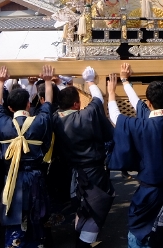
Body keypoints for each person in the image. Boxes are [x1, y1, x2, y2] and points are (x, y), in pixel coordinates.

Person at [107, 60, 163, 248]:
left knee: (140, 235)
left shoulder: (141, 125)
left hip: (148, 194)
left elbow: (116, 116)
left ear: (149, 103)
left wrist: (114, 91)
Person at [52, 66, 115, 248]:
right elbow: (97, 100)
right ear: (76, 104)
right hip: (93, 172)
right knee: (97, 207)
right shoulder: (86, 116)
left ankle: (80, 237)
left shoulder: (55, 119)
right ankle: (83, 243)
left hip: (72, 172)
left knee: (81, 206)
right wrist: (90, 81)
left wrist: (58, 83)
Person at [0, 65, 55, 248]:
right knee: (37, 222)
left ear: (10, 108)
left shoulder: (3, 123)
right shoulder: (39, 121)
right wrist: (48, 81)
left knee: (14, 225)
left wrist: (0, 82)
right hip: (35, 178)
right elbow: (48, 104)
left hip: (12, 179)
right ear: (29, 104)